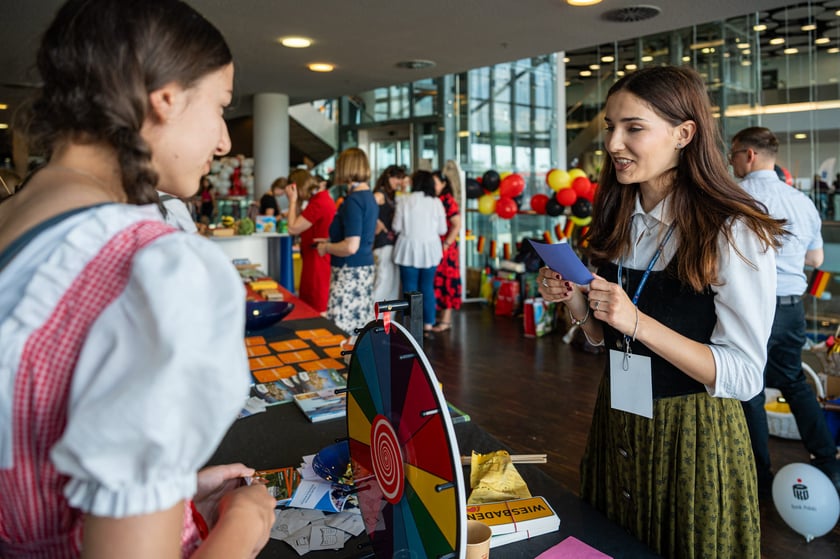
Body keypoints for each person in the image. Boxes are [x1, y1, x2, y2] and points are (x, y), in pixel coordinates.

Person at [0, 1, 276, 557]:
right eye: (220, 106)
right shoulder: (155, 270)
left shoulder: (15, 223)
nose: (223, 141)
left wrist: (168, 493)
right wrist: (243, 527)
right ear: (167, 97)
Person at [537, 66, 785, 558]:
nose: (612, 143)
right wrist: (578, 302)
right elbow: (600, 339)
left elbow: (743, 375)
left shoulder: (733, 231)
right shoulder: (617, 217)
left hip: (691, 438)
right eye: (610, 126)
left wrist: (638, 322)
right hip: (618, 417)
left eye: (633, 127)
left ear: (684, 134)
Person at [731, 126, 840, 495]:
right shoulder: (802, 202)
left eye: (733, 155)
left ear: (749, 155)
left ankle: (759, 479)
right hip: (792, 307)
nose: (731, 162)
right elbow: (816, 258)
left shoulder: (735, 196)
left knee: (750, 390)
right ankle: (827, 460)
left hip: (752, 307)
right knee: (793, 381)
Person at [315, 147, 378, 334]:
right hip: (363, 269)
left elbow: (351, 246)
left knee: (341, 329)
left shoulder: (354, 200)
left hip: (349, 272)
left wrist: (326, 247)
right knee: (358, 326)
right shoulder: (369, 197)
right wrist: (329, 241)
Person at [392, 170, 447, 337]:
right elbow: (442, 229)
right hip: (430, 250)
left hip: (408, 249)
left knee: (409, 288)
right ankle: (428, 325)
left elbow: (396, 227)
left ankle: (409, 328)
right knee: (427, 288)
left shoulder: (404, 200)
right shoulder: (436, 202)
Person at [285, 167, 336, 313]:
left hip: (317, 261)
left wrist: (293, 201)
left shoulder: (319, 203)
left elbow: (292, 228)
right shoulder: (320, 200)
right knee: (312, 305)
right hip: (314, 258)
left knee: (315, 308)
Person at [431, 168, 462, 332]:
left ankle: (446, 320)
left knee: (447, 282)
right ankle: (439, 317)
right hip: (437, 246)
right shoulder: (435, 199)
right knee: (437, 281)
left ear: (443, 184)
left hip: (446, 248)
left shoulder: (447, 200)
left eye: (435, 183)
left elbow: (457, 224)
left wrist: (446, 244)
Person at [371, 164, 405, 303]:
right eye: (397, 178)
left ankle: (386, 321)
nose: (400, 182)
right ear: (389, 177)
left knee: (392, 287)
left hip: (393, 244)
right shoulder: (379, 194)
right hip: (383, 243)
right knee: (382, 283)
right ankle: (372, 319)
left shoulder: (393, 196)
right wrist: (377, 223)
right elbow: (368, 214)